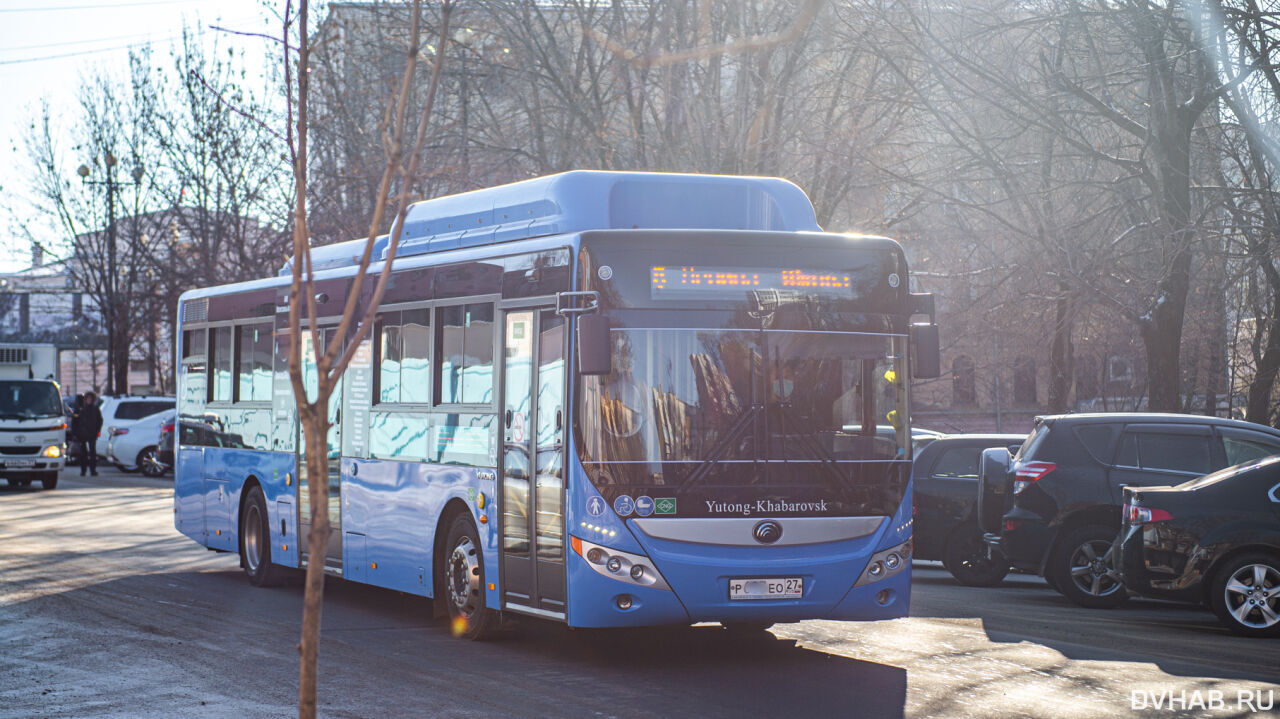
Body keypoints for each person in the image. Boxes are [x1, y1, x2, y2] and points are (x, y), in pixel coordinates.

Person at [76, 391, 103, 476]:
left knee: (92, 453)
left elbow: (99, 420)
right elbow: (76, 421)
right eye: (88, 398)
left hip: (92, 433)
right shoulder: (81, 409)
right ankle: (83, 470)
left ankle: (92, 470)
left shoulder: (95, 409)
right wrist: (76, 433)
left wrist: (97, 430)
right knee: (83, 453)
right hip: (82, 434)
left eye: (91, 398)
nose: (89, 400)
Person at [69, 394, 85, 467]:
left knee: (81, 449)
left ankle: (81, 462)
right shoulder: (80, 410)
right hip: (82, 432)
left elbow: (74, 423)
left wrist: (74, 434)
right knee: (82, 449)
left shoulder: (77, 410)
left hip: (80, 432)